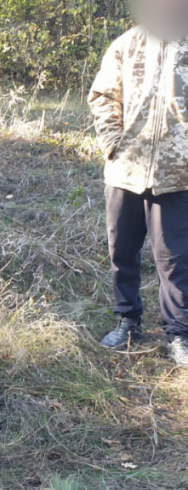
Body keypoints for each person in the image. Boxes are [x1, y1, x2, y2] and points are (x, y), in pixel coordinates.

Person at [89, 24, 188, 365]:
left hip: (178, 175)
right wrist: (113, 143)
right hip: (125, 171)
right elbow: (103, 94)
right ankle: (127, 321)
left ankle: (177, 334)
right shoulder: (128, 43)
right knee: (122, 251)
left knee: (174, 261)